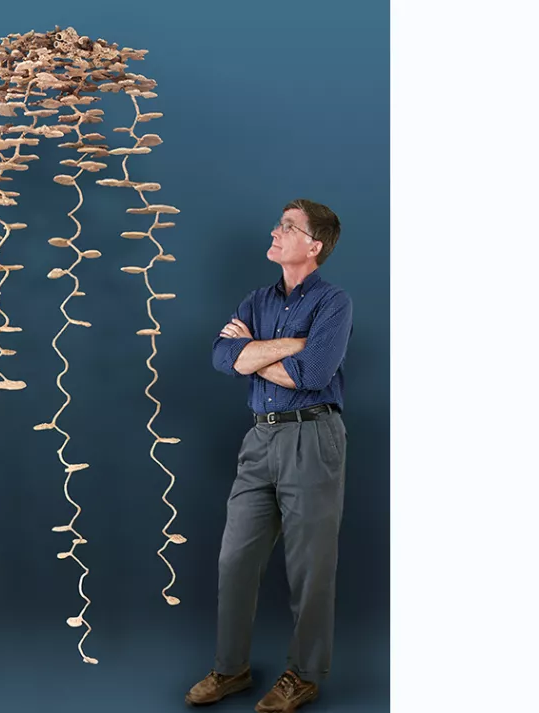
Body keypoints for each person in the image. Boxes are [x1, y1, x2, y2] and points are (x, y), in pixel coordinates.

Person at [186, 199, 352, 712]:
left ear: (314, 245)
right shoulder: (255, 300)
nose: (276, 232)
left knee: (310, 566)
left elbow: (313, 375)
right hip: (259, 439)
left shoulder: (334, 302)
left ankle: (304, 675)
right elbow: (221, 357)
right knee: (235, 558)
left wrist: (252, 351)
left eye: (288, 227)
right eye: (279, 224)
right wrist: (289, 345)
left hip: (313, 436)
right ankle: (231, 668)